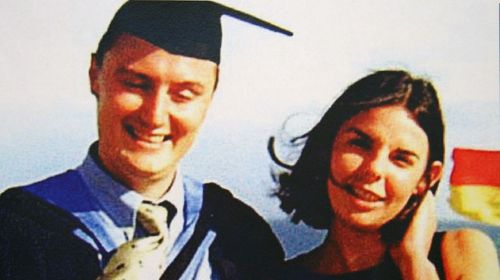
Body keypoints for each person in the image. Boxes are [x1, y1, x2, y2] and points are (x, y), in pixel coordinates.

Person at [0, 1, 292, 279]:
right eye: (136, 84)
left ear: (211, 96)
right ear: (95, 75)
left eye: (184, 94)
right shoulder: (14, 228)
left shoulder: (240, 237)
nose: (154, 116)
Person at [269, 70, 500, 279]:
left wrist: (414, 263)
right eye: (360, 144)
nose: (374, 169)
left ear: (426, 178)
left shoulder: (459, 252)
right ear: (327, 150)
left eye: (401, 159)